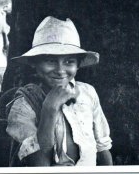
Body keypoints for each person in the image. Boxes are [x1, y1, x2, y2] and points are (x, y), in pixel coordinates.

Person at [6, 16, 113, 166]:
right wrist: (50, 108)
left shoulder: (88, 93)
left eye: (69, 61)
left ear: (78, 65)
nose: (60, 70)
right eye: (51, 61)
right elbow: (38, 164)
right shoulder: (23, 105)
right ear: (34, 64)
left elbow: (102, 146)